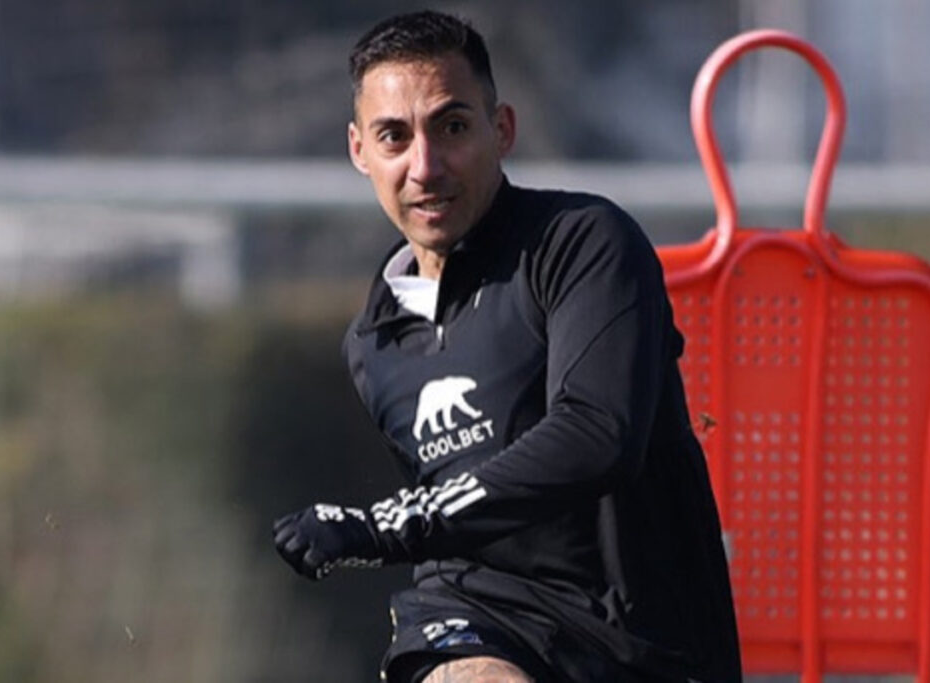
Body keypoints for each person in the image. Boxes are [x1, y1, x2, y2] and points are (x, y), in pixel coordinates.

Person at [273, 10, 741, 683]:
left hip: (641, 648)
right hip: (474, 617)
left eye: (452, 127)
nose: (424, 166)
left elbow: (595, 434)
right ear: (359, 151)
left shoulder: (583, 243)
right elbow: (450, 518)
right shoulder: (372, 341)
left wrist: (388, 524)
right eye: (394, 137)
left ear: (503, 130)